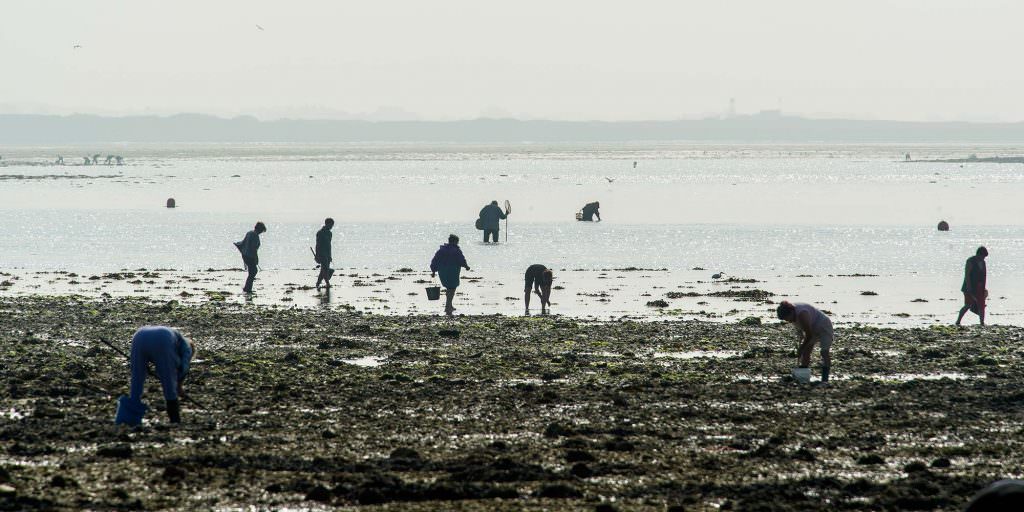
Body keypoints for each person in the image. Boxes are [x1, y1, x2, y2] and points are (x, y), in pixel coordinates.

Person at [115, 326, 194, 425]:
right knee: (169, 381)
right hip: (163, 338)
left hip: (139, 336)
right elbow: (183, 368)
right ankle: (175, 419)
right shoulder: (187, 347)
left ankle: (128, 417)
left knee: (137, 377)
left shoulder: (176, 339)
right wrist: (178, 386)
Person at [777, 301, 833, 384]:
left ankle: (825, 379)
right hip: (812, 328)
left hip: (823, 325)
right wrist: (801, 343)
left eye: (787, 318)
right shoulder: (793, 316)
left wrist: (801, 348)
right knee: (806, 352)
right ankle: (802, 377)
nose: (788, 321)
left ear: (791, 312)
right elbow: (802, 332)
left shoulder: (802, 313)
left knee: (824, 352)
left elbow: (809, 334)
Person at [430, 234, 471, 316]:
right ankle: (448, 306)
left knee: (449, 288)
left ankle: (449, 305)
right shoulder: (456, 250)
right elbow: (461, 259)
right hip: (453, 270)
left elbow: (435, 260)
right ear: (455, 241)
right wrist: (466, 266)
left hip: (442, 271)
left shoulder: (441, 250)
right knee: (452, 288)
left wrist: (433, 271)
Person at [957, 246, 988, 326]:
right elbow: (967, 275)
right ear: (978, 254)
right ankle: (958, 321)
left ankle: (982, 323)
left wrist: (984, 288)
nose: (983, 258)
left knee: (981, 305)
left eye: (984, 257)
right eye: (982, 256)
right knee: (968, 305)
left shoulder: (983, 262)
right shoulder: (970, 261)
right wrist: (969, 287)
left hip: (979, 287)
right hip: (969, 287)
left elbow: (984, 275)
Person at [234, 221, 266, 293]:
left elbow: (243, 243)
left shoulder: (249, 233)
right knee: (253, 271)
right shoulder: (255, 236)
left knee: (252, 272)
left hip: (245, 255)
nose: (261, 232)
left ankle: (247, 288)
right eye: (262, 230)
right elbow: (253, 249)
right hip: (250, 256)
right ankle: (247, 289)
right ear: (260, 229)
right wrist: (256, 259)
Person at [314, 217, 335, 289]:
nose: (332, 227)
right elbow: (318, 244)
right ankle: (327, 283)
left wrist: (330, 255)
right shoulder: (320, 233)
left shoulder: (330, 233)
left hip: (327, 254)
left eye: (332, 225)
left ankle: (318, 283)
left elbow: (329, 245)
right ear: (327, 224)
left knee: (323, 270)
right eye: (331, 225)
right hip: (321, 254)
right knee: (325, 269)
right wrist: (317, 255)